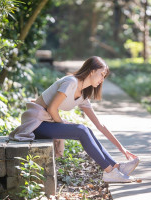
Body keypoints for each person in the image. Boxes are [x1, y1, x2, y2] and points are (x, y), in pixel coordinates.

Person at [10, 56, 139, 182]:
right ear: (92, 71)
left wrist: (123, 149)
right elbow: (51, 109)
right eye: (101, 74)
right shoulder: (71, 82)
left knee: (86, 129)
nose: (102, 79)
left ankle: (116, 167)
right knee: (81, 130)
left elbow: (100, 125)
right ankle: (110, 172)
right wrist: (63, 123)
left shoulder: (84, 95)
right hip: (35, 123)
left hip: (46, 123)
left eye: (104, 76)